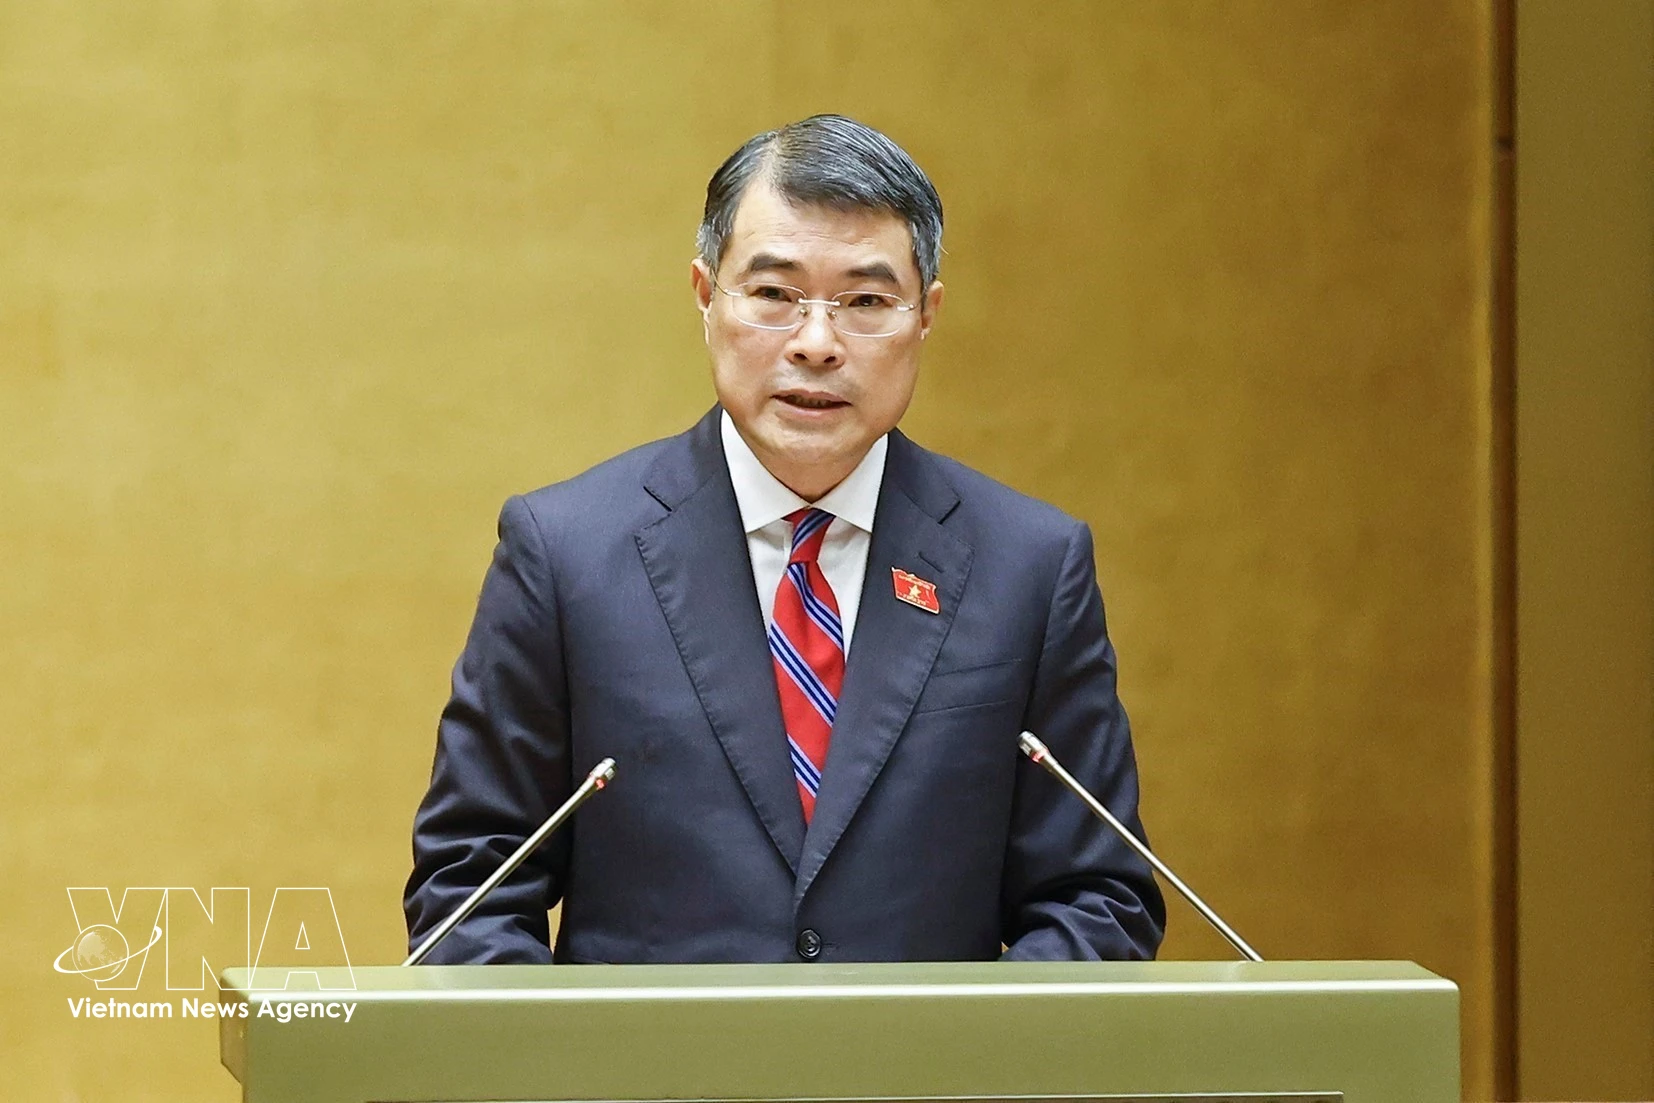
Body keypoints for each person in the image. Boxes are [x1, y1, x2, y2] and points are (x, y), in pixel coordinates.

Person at [403, 114, 1166, 964]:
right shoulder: (566, 553)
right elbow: (467, 894)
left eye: (867, 302)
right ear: (705, 297)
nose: (815, 343)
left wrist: (966, 1073)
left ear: (927, 316)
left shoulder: (1030, 567)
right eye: (773, 295)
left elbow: (1100, 897)